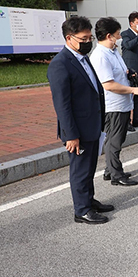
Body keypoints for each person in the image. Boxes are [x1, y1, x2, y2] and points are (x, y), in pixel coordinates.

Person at [47, 16, 113, 224]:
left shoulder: (83, 59)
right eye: (84, 38)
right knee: (80, 170)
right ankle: (81, 210)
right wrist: (71, 135)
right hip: (78, 130)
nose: (88, 41)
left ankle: (89, 200)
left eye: (89, 37)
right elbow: (62, 105)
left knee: (89, 168)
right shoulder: (60, 65)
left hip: (92, 125)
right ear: (69, 38)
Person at [90, 17, 138, 187]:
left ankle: (110, 170)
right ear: (108, 36)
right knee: (114, 140)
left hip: (122, 103)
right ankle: (116, 174)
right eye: (117, 34)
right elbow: (108, 84)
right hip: (113, 105)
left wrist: (129, 73)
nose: (120, 37)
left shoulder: (112, 52)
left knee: (116, 138)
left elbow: (120, 72)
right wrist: (133, 90)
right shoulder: (100, 55)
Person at [121, 11, 138, 130]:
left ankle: (137, 119)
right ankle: (126, 122)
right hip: (130, 70)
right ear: (132, 23)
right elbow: (128, 45)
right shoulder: (126, 34)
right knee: (129, 97)